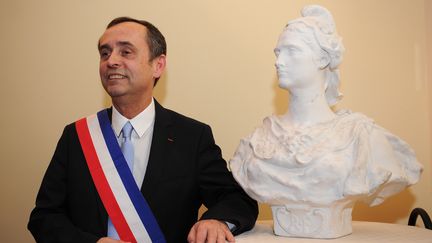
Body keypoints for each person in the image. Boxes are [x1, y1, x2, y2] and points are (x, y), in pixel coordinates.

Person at [28, 17, 258, 243]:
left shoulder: (192, 136)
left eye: (126, 52)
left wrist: (216, 221)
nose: (111, 61)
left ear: (158, 65)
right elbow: (44, 217)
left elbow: (237, 199)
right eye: (105, 53)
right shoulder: (77, 136)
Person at [229, 5, 422, 239]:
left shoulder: (361, 136)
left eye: (291, 51)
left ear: (322, 58)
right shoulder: (257, 140)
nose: (279, 62)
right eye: (278, 53)